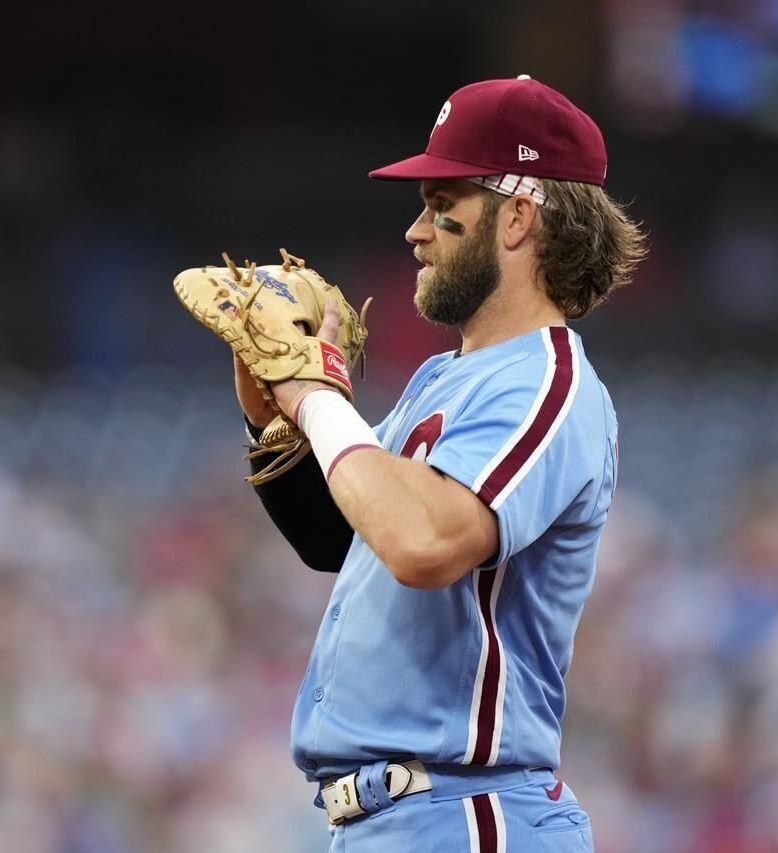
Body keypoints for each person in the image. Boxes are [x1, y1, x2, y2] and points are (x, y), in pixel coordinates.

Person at [233, 75, 646, 852]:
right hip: (405, 818)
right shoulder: (443, 376)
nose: (417, 231)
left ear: (518, 216)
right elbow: (344, 536)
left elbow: (424, 545)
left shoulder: (547, 380)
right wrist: (276, 414)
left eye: (441, 202)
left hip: (468, 813)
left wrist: (316, 399)